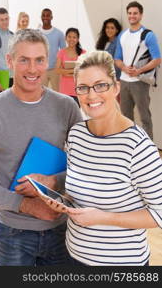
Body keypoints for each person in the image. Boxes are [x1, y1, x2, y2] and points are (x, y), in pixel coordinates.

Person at [31, 50, 162, 266]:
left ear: (116, 87)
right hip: (73, 257)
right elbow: (84, 190)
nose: (92, 95)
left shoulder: (137, 146)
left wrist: (104, 217)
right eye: (83, 88)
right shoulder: (76, 135)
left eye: (100, 85)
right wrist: (62, 202)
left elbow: (159, 213)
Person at [0, 29, 82, 266]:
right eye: (24, 60)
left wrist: (53, 181)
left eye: (39, 60)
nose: (33, 69)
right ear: (10, 60)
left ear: (48, 61)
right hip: (13, 235)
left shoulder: (67, 107)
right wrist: (26, 205)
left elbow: (85, 166)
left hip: (62, 230)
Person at [115, 1, 161, 140]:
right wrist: (124, 68)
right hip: (124, 81)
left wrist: (139, 71)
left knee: (144, 118)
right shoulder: (122, 35)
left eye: (135, 13)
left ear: (141, 15)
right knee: (125, 118)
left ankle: (149, 151)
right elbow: (117, 58)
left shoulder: (148, 35)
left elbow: (157, 59)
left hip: (139, 82)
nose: (132, 16)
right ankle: (128, 147)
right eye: (129, 13)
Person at [55, 27, 85, 104]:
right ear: (65, 38)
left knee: (76, 113)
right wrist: (73, 71)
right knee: (65, 113)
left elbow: (85, 70)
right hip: (65, 89)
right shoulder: (61, 52)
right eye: (69, 37)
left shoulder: (83, 53)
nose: (71, 39)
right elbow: (57, 70)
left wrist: (66, 72)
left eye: (74, 37)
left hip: (78, 89)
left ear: (78, 39)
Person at [39, 8, 66, 92]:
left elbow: (63, 52)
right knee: (41, 94)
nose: (45, 17)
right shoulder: (36, 33)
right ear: (41, 17)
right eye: (43, 15)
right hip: (41, 69)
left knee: (58, 94)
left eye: (48, 15)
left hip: (55, 70)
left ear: (51, 17)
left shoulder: (59, 34)